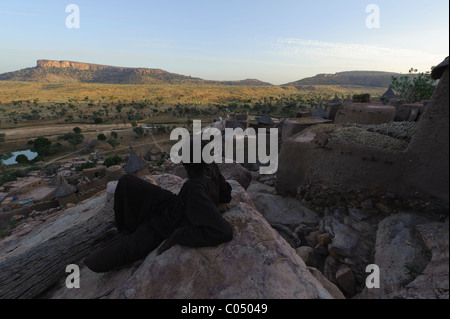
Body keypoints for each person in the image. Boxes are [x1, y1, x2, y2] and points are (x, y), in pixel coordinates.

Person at [84, 140, 233, 273]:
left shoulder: (194, 189)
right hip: (172, 204)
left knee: (95, 261)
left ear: (186, 164)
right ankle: (125, 229)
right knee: (126, 182)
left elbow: (223, 232)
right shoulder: (210, 168)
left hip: (164, 226)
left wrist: (179, 235)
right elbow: (226, 194)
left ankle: (128, 234)